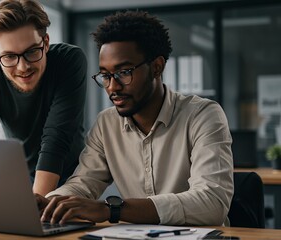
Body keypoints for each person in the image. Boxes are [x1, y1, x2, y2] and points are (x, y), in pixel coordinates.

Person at [37, 10, 234, 226]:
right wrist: (51, 202)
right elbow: (83, 183)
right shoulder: (106, 124)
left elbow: (212, 203)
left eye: (124, 72)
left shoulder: (203, 115)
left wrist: (111, 210)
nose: (112, 87)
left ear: (157, 67)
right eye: (105, 75)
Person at [0, 0, 87, 196]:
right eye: (10, 56)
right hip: (23, 179)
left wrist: (34, 204)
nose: (23, 67)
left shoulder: (69, 60)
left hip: (76, 180)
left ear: (45, 43)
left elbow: (56, 137)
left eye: (31, 52)